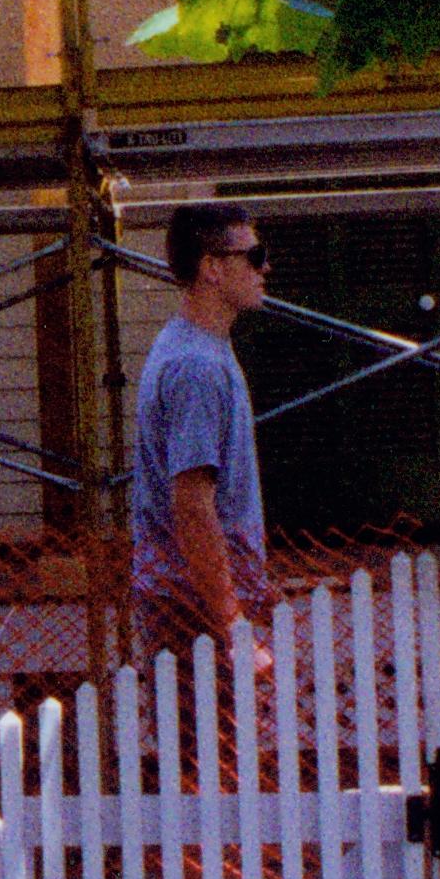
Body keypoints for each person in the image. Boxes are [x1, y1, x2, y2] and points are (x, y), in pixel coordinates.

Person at [129, 201, 270, 657]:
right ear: (211, 268)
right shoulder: (197, 367)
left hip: (187, 601)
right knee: (205, 731)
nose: (264, 266)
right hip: (194, 613)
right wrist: (232, 625)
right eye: (252, 256)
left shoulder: (193, 347)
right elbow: (192, 505)